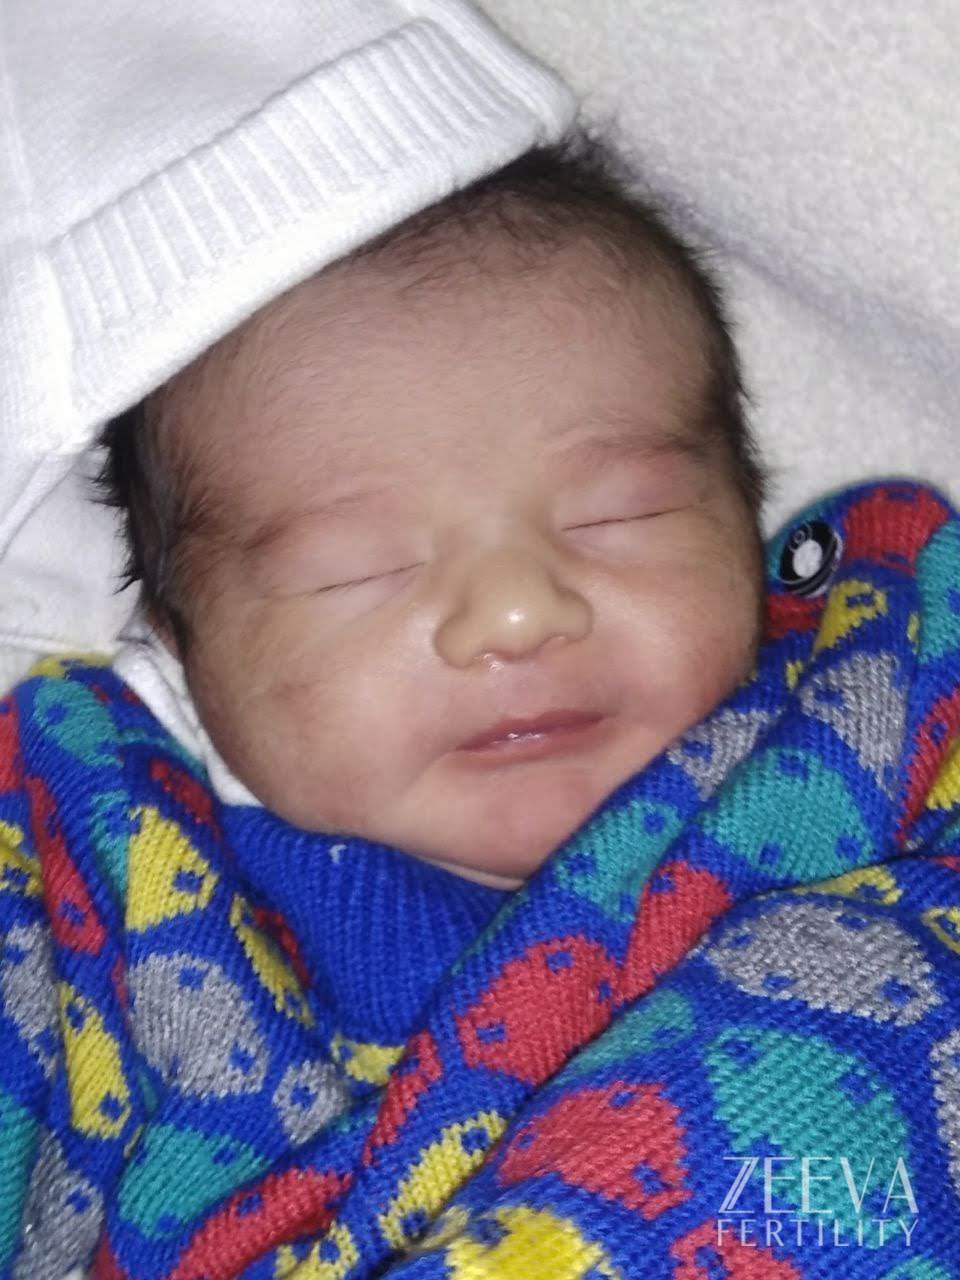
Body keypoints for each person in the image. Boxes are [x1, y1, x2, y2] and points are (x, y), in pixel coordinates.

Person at [1, 5, 959, 1279]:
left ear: (746, 523)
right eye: (359, 568)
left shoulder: (882, 712)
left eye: (620, 514)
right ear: (180, 649)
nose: (516, 609)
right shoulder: (94, 852)